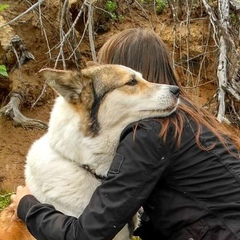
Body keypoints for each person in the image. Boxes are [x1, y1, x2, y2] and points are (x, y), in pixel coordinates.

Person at [10, 28, 240, 240]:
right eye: (132, 82)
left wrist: (27, 205)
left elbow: (86, 235)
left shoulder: (151, 132)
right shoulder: (187, 118)